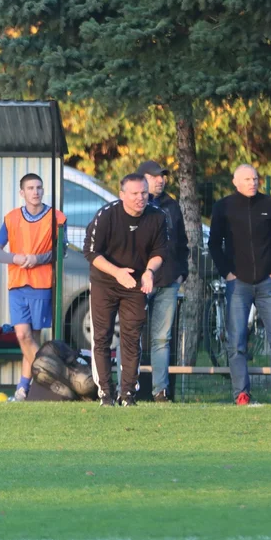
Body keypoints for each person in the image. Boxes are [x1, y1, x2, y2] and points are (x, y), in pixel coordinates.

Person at [83, 174, 167, 407]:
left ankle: (127, 394)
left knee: (131, 337)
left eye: (143, 193)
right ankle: (105, 395)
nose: (140, 198)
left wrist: (149, 272)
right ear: (122, 195)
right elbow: (91, 253)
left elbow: (160, 251)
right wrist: (117, 272)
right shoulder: (106, 215)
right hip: (105, 282)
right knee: (102, 337)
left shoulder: (157, 217)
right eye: (134, 194)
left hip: (135, 285)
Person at [208, 164, 271, 405]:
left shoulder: (269, 204)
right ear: (235, 182)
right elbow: (214, 243)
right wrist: (227, 273)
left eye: (255, 178)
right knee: (236, 342)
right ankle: (241, 393)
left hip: (268, 283)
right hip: (238, 284)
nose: (253, 182)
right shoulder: (223, 207)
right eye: (247, 179)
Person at [0, 173, 66, 402]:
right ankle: (55, 378)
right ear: (22, 192)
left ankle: (23, 389)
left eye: (39, 187)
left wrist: (39, 259)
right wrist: (13, 258)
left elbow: (60, 250)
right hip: (17, 284)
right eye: (31, 188)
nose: (36, 192)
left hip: (42, 284)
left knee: (32, 336)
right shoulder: (12, 217)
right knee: (22, 335)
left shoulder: (57, 217)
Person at [137, 159, 189, 403]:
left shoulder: (171, 206)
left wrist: (181, 272)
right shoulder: (133, 204)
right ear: (142, 178)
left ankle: (160, 391)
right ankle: (129, 388)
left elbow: (182, 242)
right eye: (156, 176)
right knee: (131, 336)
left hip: (167, 280)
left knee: (161, 339)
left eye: (163, 176)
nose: (161, 180)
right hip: (137, 282)